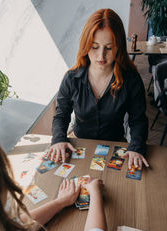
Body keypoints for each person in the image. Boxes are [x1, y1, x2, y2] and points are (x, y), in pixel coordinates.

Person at [48, 8, 149, 170]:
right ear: (86, 45)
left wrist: (136, 147)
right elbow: (61, 115)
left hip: (115, 145)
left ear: (119, 48)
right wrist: (59, 139)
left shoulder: (131, 79)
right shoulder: (71, 78)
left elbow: (138, 120)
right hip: (80, 144)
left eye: (109, 48)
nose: (101, 56)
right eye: (94, 47)